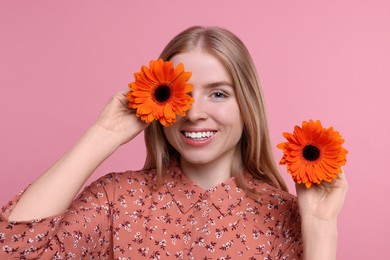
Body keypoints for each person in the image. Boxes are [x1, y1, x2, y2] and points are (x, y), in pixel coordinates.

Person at [0, 26, 347, 259]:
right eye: (181, 94)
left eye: (218, 93)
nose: (195, 113)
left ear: (247, 104)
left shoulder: (285, 216)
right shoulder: (116, 201)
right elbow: (13, 248)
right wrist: (103, 134)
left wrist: (320, 229)